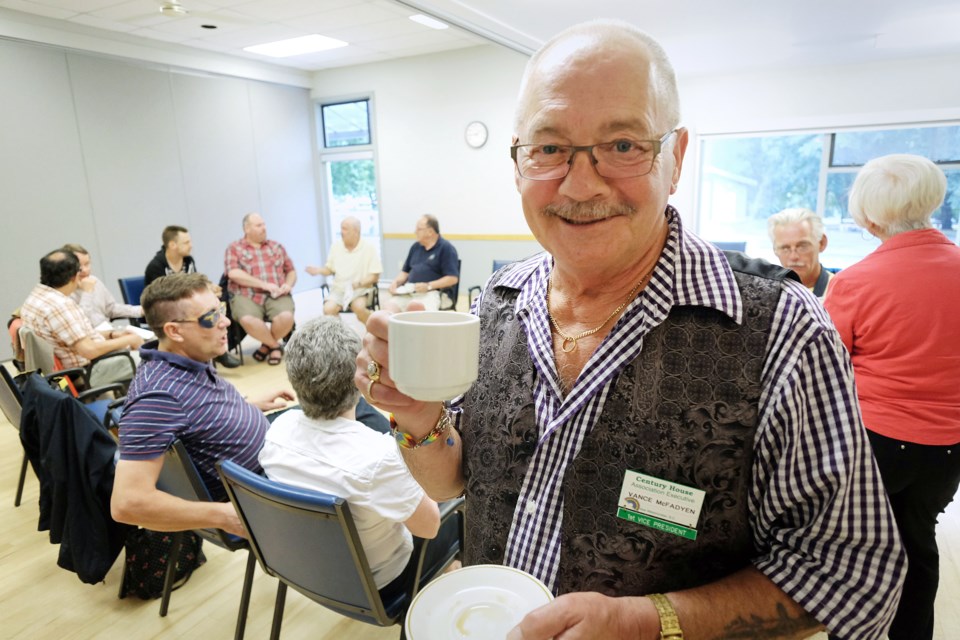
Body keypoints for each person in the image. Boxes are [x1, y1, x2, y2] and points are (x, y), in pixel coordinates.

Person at [356, 20, 905, 640]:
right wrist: (419, 420)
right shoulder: (495, 305)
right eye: (550, 147)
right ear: (518, 161)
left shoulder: (781, 330)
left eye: (623, 145)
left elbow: (850, 574)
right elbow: (457, 479)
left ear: (677, 157)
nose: (582, 183)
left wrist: (651, 621)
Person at [823, 154, 960, 640]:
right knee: (917, 541)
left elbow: (828, 371)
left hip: (876, 442)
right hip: (948, 449)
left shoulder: (854, 282)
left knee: (854, 549)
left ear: (869, 216)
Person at [259, 317, 439, 588]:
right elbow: (430, 527)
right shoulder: (380, 457)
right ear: (361, 377)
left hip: (305, 569)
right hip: (378, 582)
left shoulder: (276, 431)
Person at [111, 273, 293, 536]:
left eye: (220, 310)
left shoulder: (189, 355)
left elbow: (200, 413)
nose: (226, 322)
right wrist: (225, 516)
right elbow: (127, 503)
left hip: (272, 459)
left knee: (339, 410)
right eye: (211, 317)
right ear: (174, 331)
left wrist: (249, 406)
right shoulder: (157, 398)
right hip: (263, 489)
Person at [20, 249, 142, 386]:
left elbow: (72, 338)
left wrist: (112, 335)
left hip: (65, 371)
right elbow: (89, 351)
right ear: (74, 276)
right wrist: (130, 339)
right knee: (152, 360)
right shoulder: (60, 306)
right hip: (85, 372)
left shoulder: (35, 298)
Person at [146, 225, 240, 368]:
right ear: (172, 245)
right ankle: (219, 354)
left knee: (217, 303)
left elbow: (192, 284)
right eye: (186, 242)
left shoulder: (188, 261)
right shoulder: (155, 266)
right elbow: (161, 298)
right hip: (170, 313)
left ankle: (219, 350)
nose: (191, 246)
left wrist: (209, 289)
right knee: (206, 317)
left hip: (188, 307)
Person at [225, 212, 297, 365]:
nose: (264, 228)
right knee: (248, 319)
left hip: (277, 294)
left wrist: (288, 284)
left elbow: (291, 271)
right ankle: (275, 346)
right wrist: (263, 285)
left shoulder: (276, 247)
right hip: (246, 294)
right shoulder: (234, 248)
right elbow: (233, 273)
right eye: (259, 225)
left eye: (264, 224)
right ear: (247, 229)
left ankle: (267, 346)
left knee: (286, 317)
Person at [305, 217, 382, 325]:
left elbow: (375, 276)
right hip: (339, 289)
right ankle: (341, 334)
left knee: (359, 307)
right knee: (328, 309)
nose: (342, 232)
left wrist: (359, 284)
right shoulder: (336, 247)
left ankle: (373, 328)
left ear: (356, 231)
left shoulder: (369, 248)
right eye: (341, 228)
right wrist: (318, 270)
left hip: (360, 290)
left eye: (345, 229)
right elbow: (329, 269)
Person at [387, 215, 459, 311]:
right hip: (410, 291)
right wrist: (395, 283)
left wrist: (428, 286)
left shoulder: (446, 248)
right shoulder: (415, 247)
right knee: (389, 308)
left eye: (418, 229)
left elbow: (452, 278)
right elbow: (405, 272)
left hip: (433, 292)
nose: (415, 232)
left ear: (430, 231)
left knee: (417, 310)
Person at [63, 243, 143, 327]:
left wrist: (140, 310)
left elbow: (111, 308)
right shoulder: (65, 291)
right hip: (90, 336)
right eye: (79, 266)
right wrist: (87, 292)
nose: (85, 270)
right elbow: (81, 323)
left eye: (87, 264)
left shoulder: (94, 280)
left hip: (107, 330)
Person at [768, 208, 832, 298]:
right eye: (785, 248)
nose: (793, 257)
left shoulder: (840, 290)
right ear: (775, 249)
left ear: (821, 243)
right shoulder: (765, 293)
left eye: (802, 246)